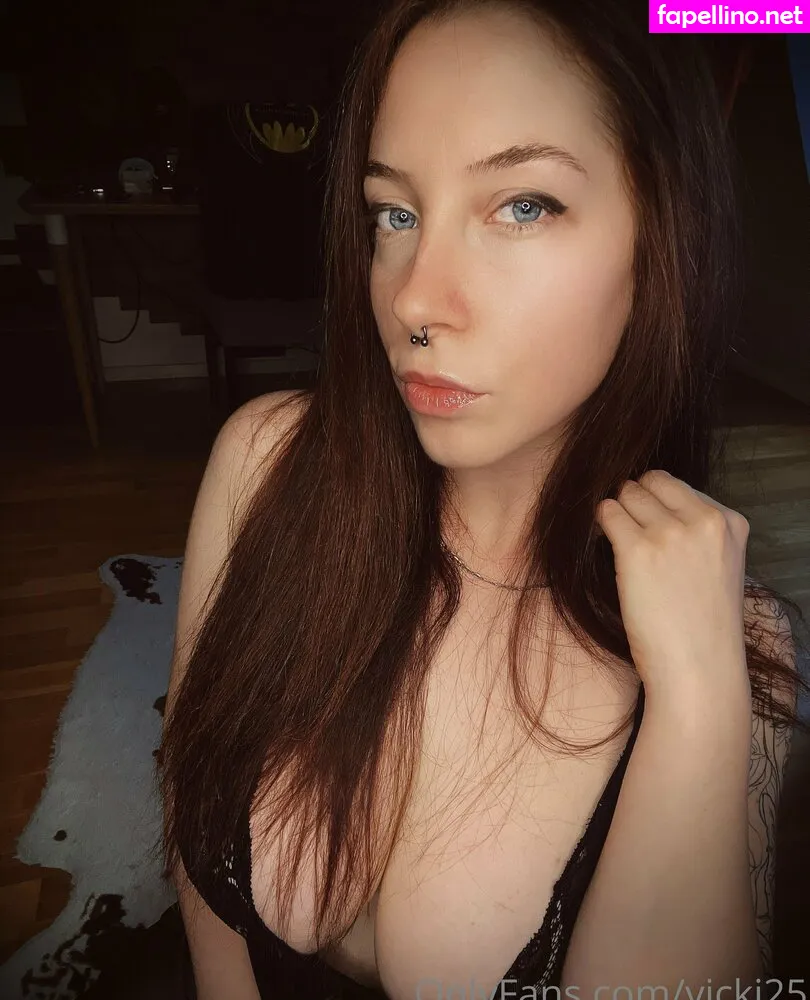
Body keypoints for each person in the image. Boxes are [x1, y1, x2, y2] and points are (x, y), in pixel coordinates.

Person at [154, 0, 809, 997]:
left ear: (664, 239)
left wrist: (699, 701)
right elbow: (197, 846)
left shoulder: (735, 636)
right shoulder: (265, 465)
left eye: (522, 206)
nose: (416, 299)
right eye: (395, 213)